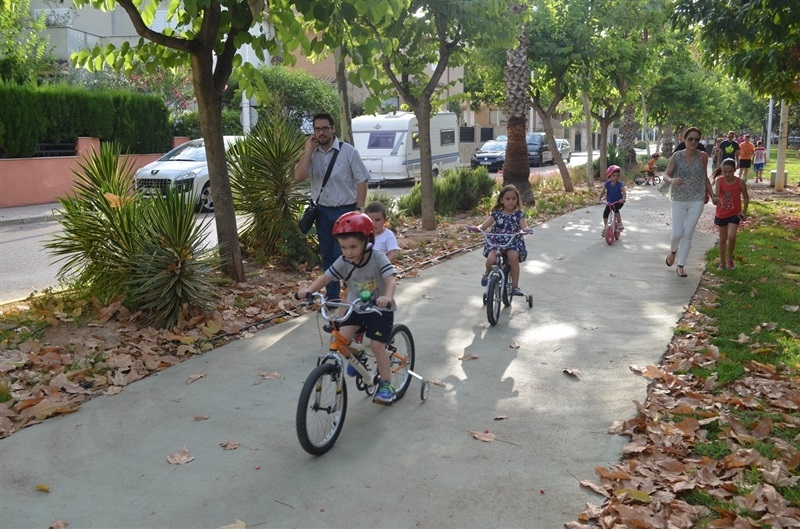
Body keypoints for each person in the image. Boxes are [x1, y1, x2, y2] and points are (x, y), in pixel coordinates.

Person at [296, 212, 398, 404]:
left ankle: (386, 384)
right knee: (341, 340)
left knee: (377, 345)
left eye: (353, 247)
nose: (348, 252)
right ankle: (359, 356)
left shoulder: (377, 258)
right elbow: (326, 278)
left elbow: (391, 280)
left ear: (367, 241)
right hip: (355, 307)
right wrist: (309, 290)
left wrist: (387, 297)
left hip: (379, 309)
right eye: (343, 247)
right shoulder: (344, 261)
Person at [295, 113, 370, 300]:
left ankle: (354, 293)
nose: (321, 133)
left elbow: (362, 180)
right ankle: (333, 297)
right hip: (321, 212)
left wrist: (359, 210)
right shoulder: (312, 154)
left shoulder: (348, 151)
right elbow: (299, 176)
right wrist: (307, 151)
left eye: (324, 128)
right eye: (317, 129)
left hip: (346, 212)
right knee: (327, 255)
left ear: (332, 129)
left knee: (343, 255)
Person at [663, 127, 717, 278]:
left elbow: (704, 177)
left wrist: (712, 194)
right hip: (679, 199)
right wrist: (672, 180)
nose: (693, 142)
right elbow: (666, 175)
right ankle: (673, 251)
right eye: (690, 139)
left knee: (688, 233)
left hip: (697, 199)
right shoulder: (676, 156)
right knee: (677, 233)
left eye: (696, 139)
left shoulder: (703, 156)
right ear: (684, 139)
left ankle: (681, 266)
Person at [471, 184, 531, 297]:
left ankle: (515, 287)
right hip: (497, 241)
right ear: (502, 200)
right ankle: (488, 273)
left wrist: (526, 230)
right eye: (507, 199)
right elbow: (484, 225)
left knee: (513, 258)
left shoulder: (519, 214)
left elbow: (524, 227)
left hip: (512, 241)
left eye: (513, 198)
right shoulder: (496, 213)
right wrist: (478, 228)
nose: (511, 201)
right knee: (491, 260)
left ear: (517, 199)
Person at [712, 159, 749, 270]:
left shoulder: (740, 182)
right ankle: (722, 262)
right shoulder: (719, 181)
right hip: (721, 213)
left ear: (735, 170)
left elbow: (746, 197)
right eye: (725, 172)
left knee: (731, 236)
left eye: (730, 172)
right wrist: (715, 200)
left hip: (734, 213)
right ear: (722, 170)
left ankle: (729, 259)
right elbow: (717, 196)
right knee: (722, 239)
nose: (727, 174)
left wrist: (744, 211)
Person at [598, 165, 627, 235]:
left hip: (618, 202)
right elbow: (602, 192)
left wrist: (623, 199)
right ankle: (606, 227)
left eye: (617, 176)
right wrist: (599, 199)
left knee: (615, 209)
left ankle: (620, 223)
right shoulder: (607, 184)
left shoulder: (620, 184)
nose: (615, 177)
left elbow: (624, 192)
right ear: (609, 176)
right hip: (610, 202)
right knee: (605, 213)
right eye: (613, 176)